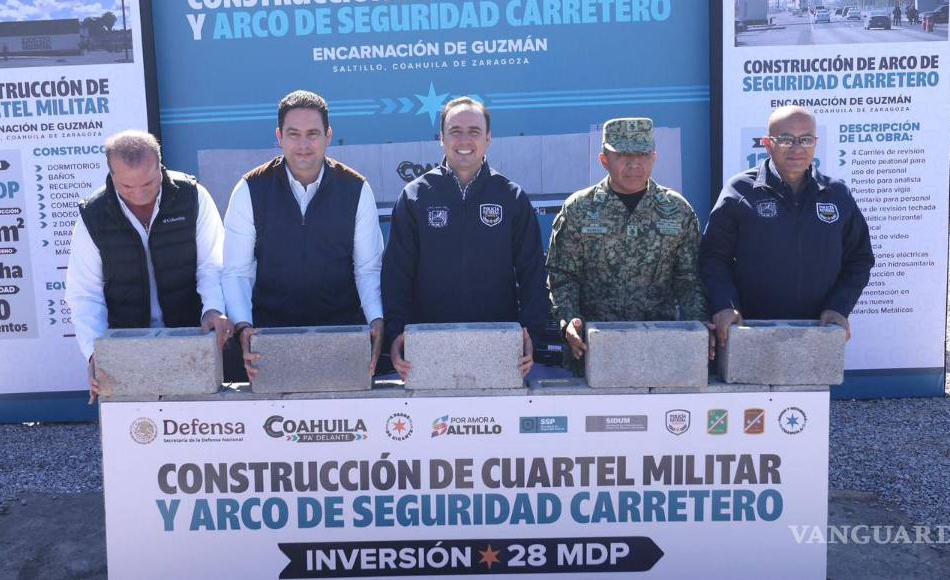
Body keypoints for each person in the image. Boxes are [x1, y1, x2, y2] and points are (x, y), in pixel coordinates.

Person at [381, 96, 548, 381]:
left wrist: (531, 333)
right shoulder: (415, 196)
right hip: (428, 346)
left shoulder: (511, 197)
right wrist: (396, 333)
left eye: (474, 131)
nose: (464, 140)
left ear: (488, 138)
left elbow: (532, 274)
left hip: (499, 346)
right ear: (441, 138)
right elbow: (396, 274)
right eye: (455, 131)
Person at [222, 90, 384, 381]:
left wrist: (376, 319)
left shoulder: (356, 188)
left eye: (313, 134)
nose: (303, 144)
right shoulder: (250, 189)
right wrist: (243, 326)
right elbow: (236, 272)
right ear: (279, 136)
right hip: (269, 339)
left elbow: (368, 269)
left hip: (341, 336)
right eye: (294, 134)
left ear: (328, 136)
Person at [65, 130, 231, 403]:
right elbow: (85, 293)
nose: (139, 194)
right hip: (126, 342)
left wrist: (213, 308)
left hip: (191, 334)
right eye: (127, 186)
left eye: (148, 183)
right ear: (111, 175)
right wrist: (95, 353)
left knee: (199, 422)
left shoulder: (193, 197)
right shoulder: (93, 215)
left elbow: (212, 264)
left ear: (160, 166)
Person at [700, 105, 874, 354]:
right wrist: (725, 305)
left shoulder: (837, 194)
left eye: (805, 139)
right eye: (786, 139)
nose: (797, 148)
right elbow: (713, 256)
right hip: (750, 331)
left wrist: (839, 307)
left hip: (818, 332)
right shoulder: (740, 191)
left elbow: (860, 258)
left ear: (815, 143)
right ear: (767, 144)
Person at [545, 117, 707, 374]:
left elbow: (690, 280)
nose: (634, 164)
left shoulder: (677, 210)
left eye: (642, 155)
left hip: (661, 348)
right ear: (604, 160)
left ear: (654, 157)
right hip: (592, 349)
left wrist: (698, 330)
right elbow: (562, 276)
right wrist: (569, 321)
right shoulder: (579, 209)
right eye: (623, 156)